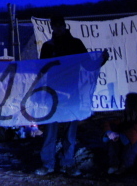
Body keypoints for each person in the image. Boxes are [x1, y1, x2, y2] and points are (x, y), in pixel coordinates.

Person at [35, 15, 89, 177]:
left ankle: (68, 163)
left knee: (70, 133)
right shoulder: (47, 46)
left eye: (60, 25)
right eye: (55, 26)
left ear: (65, 26)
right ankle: (48, 164)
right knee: (50, 131)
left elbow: (87, 64)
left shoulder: (76, 44)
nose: (58, 29)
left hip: (72, 93)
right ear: (52, 27)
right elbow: (42, 68)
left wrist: (101, 60)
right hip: (53, 93)